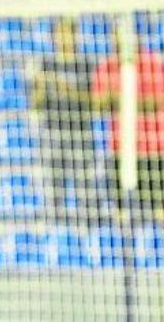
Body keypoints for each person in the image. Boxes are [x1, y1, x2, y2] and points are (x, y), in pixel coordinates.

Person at [90, 27, 164, 224]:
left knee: (160, 206)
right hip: (121, 147)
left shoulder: (154, 63)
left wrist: (122, 100)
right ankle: (124, 248)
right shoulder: (107, 65)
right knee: (120, 211)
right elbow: (98, 104)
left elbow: (158, 102)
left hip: (155, 148)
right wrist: (129, 101)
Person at [31, 18, 99, 225]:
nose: (63, 38)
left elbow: (94, 102)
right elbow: (36, 104)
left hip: (80, 134)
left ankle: (87, 227)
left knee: (84, 186)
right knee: (53, 188)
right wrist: (40, 86)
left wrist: (65, 88)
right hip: (53, 133)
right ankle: (54, 226)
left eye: (67, 33)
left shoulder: (86, 64)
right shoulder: (46, 64)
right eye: (59, 33)